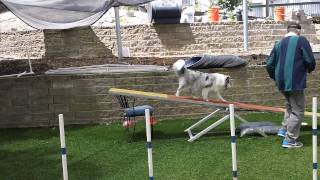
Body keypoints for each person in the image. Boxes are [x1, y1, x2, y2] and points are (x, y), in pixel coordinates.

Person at [266, 22, 316, 148]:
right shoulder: (301, 40)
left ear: (287, 31)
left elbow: (269, 64)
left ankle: (283, 130)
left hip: (281, 81)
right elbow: (310, 60)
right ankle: (290, 140)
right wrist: (310, 69)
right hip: (295, 81)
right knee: (298, 110)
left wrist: (275, 77)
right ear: (298, 31)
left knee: (290, 106)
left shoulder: (278, 43)